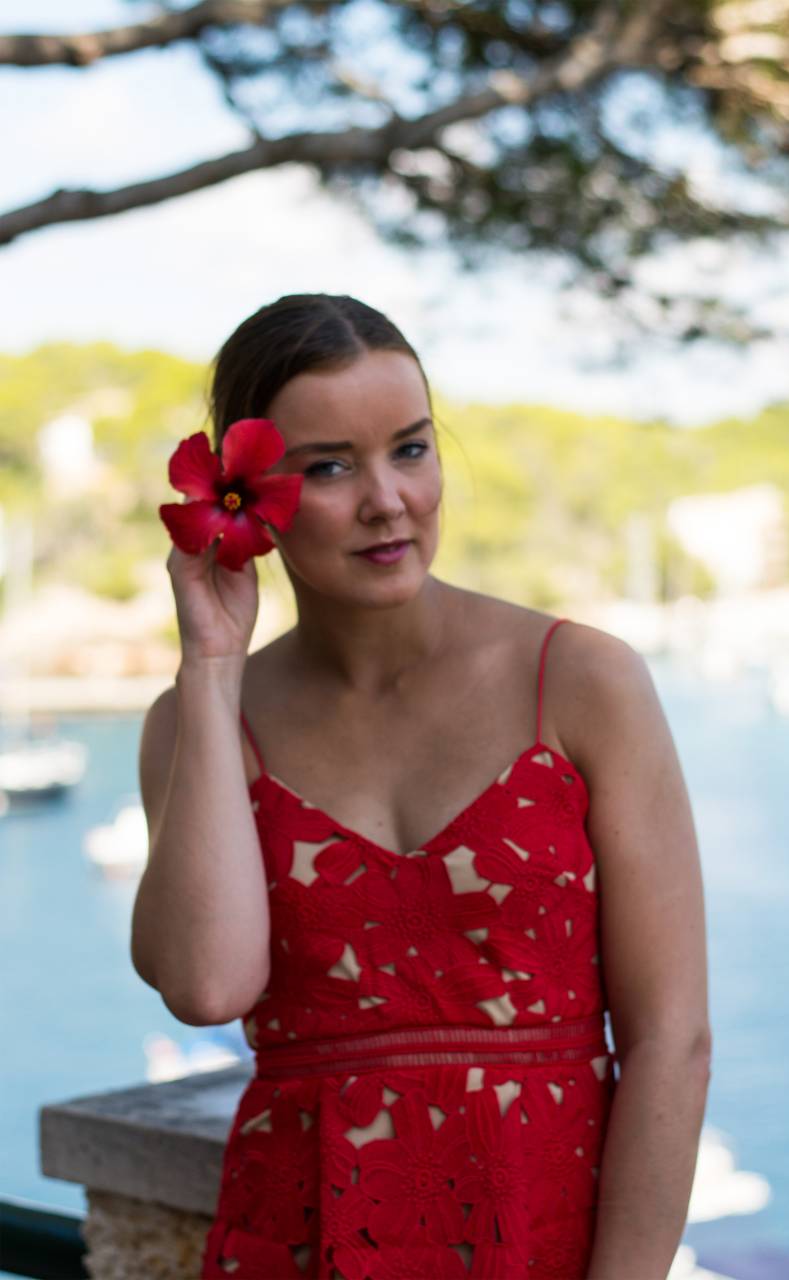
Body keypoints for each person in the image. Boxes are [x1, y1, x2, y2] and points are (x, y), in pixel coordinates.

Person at [128, 294, 710, 1278]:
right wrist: (213, 663)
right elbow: (209, 984)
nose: (388, 498)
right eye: (329, 467)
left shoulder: (582, 683)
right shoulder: (199, 724)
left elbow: (672, 1038)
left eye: (410, 447)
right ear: (251, 493)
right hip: (298, 1242)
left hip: (544, 1237)